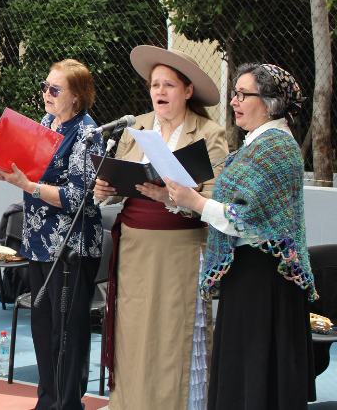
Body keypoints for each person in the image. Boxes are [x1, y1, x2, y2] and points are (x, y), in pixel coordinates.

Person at [166, 63, 317, 410]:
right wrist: (174, 197)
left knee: (256, 381)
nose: (234, 101)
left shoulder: (276, 147)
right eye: (235, 93)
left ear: (270, 103)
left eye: (243, 94)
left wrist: (195, 202)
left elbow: (245, 218)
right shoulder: (257, 144)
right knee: (243, 377)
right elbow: (231, 208)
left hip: (265, 279)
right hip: (249, 274)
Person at [94, 45, 228, 410]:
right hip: (135, 248)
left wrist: (173, 198)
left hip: (180, 249)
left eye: (169, 85)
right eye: (155, 85)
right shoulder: (136, 127)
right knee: (135, 332)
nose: (160, 91)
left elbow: (215, 200)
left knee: (174, 333)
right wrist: (105, 190)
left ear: (188, 91)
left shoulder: (209, 132)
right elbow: (122, 181)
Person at [0, 59, 104, 410]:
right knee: (42, 328)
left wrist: (28, 185)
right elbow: (32, 173)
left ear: (77, 96)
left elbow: (79, 197)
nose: (46, 93)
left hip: (71, 247)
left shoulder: (88, 134)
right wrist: (9, 172)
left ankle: (68, 404)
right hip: (38, 240)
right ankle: (47, 401)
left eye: (55, 89)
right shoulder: (45, 123)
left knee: (67, 332)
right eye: (45, 86)